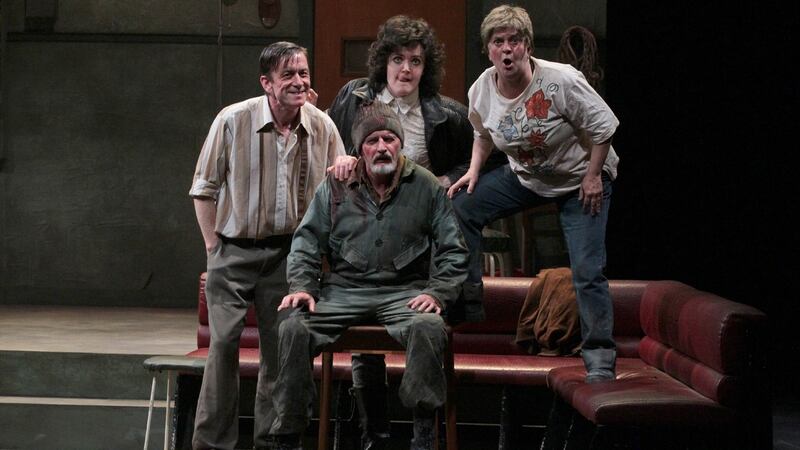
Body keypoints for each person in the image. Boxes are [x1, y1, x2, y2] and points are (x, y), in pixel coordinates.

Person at [325, 15, 505, 448]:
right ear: (383, 62)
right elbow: (330, 142)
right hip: (363, 230)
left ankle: (424, 436)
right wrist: (343, 159)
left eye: (416, 61)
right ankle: (373, 433)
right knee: (362, 324)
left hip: (419, 238)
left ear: (427, 68)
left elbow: (483, 158)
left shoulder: (446, 113)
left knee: (422, 329)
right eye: (399, 59)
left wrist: (449, 181)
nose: (406, 69)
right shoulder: (354, 98)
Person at [268, 102, 469, 450]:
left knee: (429, 327)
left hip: (403, 292)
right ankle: (289, 436)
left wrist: (438, 292)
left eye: (389, 139)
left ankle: (422, 435)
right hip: (343, 292)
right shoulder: (337, 184)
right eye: (372, 140)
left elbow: (453, 248)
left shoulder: (425, 186)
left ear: (400, 143)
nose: (381, 147)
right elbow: (307, 240)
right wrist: (302, 286)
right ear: (360, 149)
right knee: (292, 327)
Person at [447, 5, 620, 384]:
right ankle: (469, 300)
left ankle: (600, 358)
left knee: (587, 270)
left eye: (514, 40)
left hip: (580, 181)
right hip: (526, 177)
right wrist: (473, 172)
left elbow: (605, 126)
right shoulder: (482, 88)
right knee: (462, 207)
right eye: (498, 42)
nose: (506, 49)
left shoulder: (560, 80)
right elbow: (482, 133)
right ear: (488, 49)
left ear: (526, 46)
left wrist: (594, 176)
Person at [188, 41, 345, 450]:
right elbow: (203, 189)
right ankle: (212, 444)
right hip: (234, 248)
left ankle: (270, 442)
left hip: (289, 255)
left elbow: (342, 187)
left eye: (303, 74)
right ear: (267, 83)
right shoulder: (232, 120)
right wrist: (213, 248)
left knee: (280, 351)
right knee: (222, 347)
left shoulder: (322, 126)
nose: (299, 82)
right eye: (288, 75)